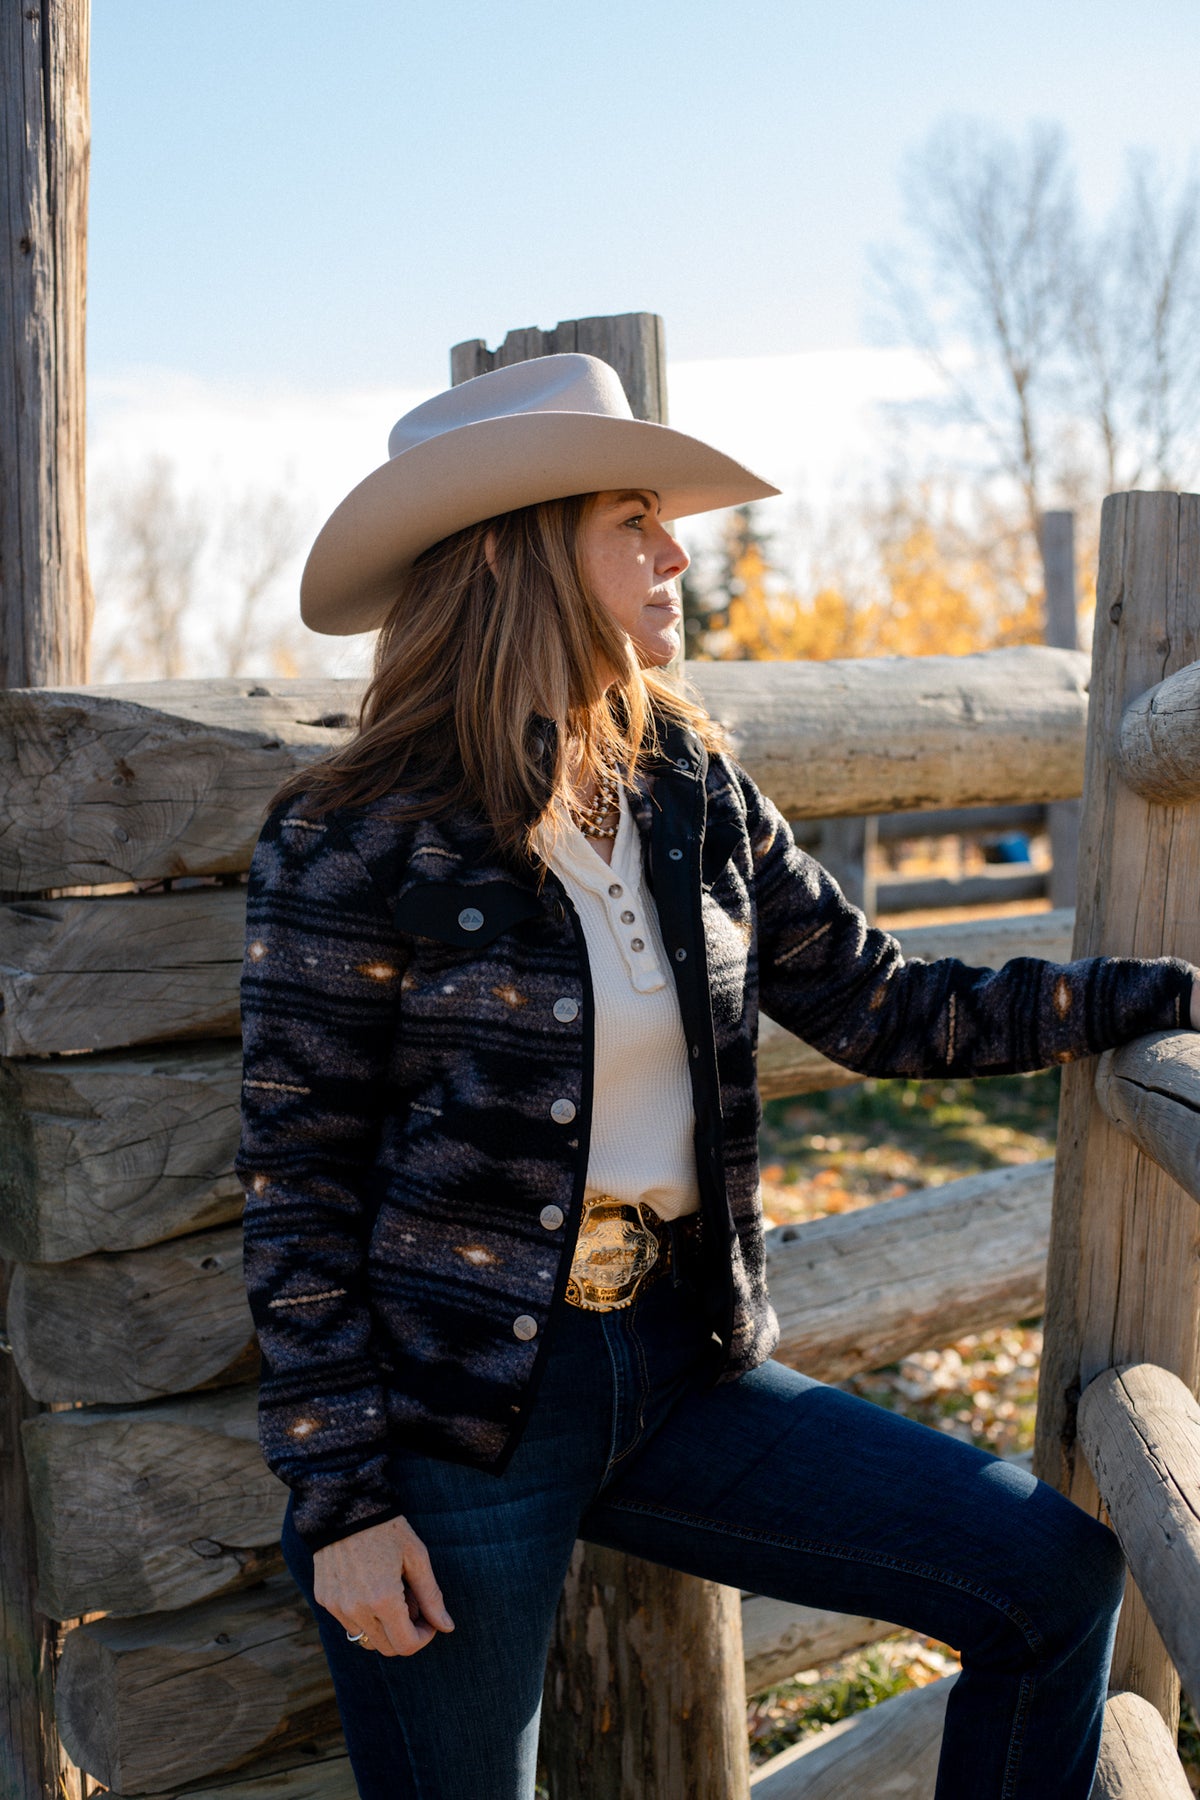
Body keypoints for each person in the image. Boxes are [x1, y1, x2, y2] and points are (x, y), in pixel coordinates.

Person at [235, 353, 1200, 1800]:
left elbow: (879, 1004)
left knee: (1047, 1578)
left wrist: (1149, 998)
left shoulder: (685, 787)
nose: (677, 550)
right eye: (632, 520)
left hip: (680, 1370)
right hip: (457, 1423)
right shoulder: (356, 836)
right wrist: (343, 1501)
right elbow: (295, 1186)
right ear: (515, 554)